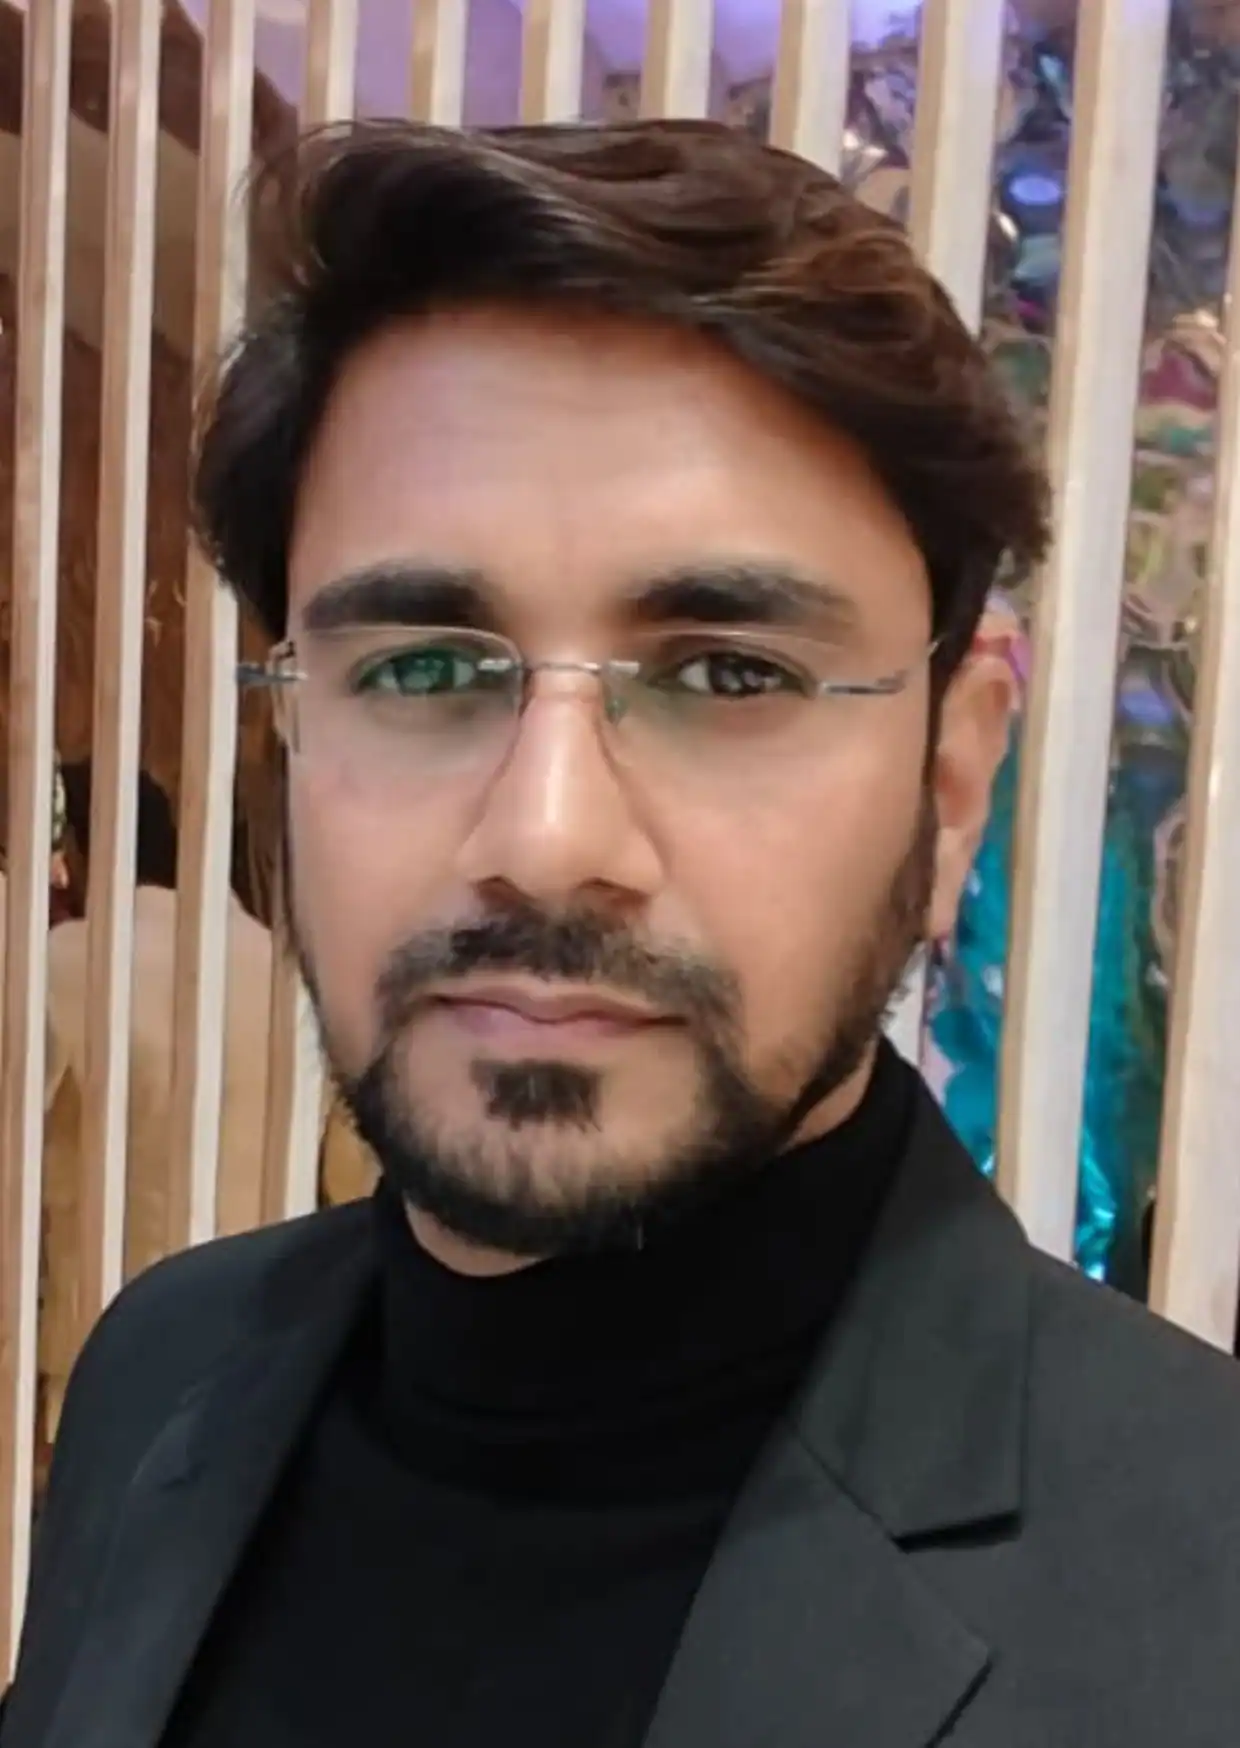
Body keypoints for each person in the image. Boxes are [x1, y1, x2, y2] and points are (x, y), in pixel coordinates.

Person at [3, 119, 1239, 1748]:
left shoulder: (1194, 1579)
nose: (546, 839)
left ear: (950, 782)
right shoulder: (163, 1373)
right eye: (426, 670)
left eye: (728, 675)